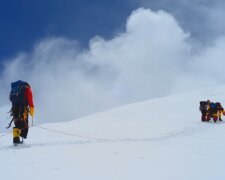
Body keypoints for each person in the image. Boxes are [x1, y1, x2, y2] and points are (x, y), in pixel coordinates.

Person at [10, 80, 34, 145]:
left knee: (17, 123)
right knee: (24, 124)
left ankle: (16, 140)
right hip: (23, 108)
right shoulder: (27, 88)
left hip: (15, 107)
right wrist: (31, 108)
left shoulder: (15, 90)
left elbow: (11, 99)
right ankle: (22, 138)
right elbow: (30, 98)